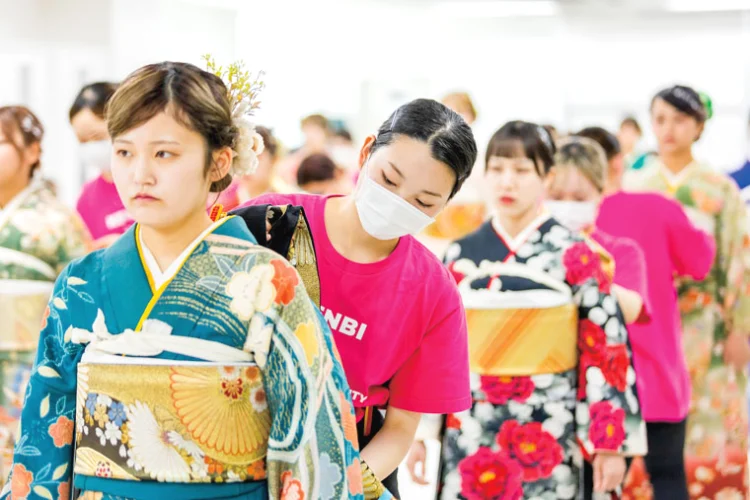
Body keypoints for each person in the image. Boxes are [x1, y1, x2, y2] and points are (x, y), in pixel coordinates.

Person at [0, 61, 372, 500]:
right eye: (124, 152)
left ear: (218, 162)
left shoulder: (269, 284)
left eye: (164, 154)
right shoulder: (81, 283)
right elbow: (44, 438)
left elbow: (311, 435)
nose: (140, 174)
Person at [237, 98, 477, 497]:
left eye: (423, 202)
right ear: (366, 152)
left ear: (445, 204)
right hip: (237, 442)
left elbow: (400, 427)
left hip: (354, 463)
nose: (398, 203)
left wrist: (338, 487)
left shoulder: (433, 291)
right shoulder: (267, 225)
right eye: (389, 179)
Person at [436, 121, 646, 500]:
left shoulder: (576, 253)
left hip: (550, 421)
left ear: (547, 177)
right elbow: (435, 349)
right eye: (497, 169)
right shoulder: (459, 253)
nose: (507, 182)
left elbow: (606, 349)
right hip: (471, 420)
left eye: (521, 170)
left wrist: (609, 443)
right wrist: (422, 430)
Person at [550, 130, 716, 499]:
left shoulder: (552, 241)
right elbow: (700, 263)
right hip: (655, 372)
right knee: (667, 475)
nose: (567, 204)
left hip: (581, 385)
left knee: (586, 484)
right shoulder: (661, 208)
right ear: (617, 162)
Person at [624, 85, 750, 498]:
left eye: (680, 120)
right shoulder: (634, 185)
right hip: (646, 324)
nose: (668, 129)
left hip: (704, 325)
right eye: (660, 119)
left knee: (708, 419)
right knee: (648, 421)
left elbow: (738, 259)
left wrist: (741, 328)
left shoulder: (718, 189)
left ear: (698, 126)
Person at [0, 106, 89, 484]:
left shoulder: (57, 220)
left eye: (1, 141)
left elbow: (81, 302)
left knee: (21, 468)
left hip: (28, 371)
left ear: (33, 151)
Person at [545, 136, 650, 326]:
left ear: (600, 195)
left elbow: (633, 309)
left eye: (579, 198)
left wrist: (586, 271)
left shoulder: (622, 252)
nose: (567, 206)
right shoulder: (530, 246)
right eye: (556, 197)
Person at [418, 92, 486, 256]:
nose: (454, 118)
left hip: (470, 223)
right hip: (436, 226)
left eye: (460, 111)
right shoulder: (429, 151)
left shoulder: (480, 154)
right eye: (447, 112)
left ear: (471, 116)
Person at [70, 82, 133, 249]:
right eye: (82, 140)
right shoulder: (88, 197)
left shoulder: (148, 182)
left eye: (97, 137)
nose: (91, 146)